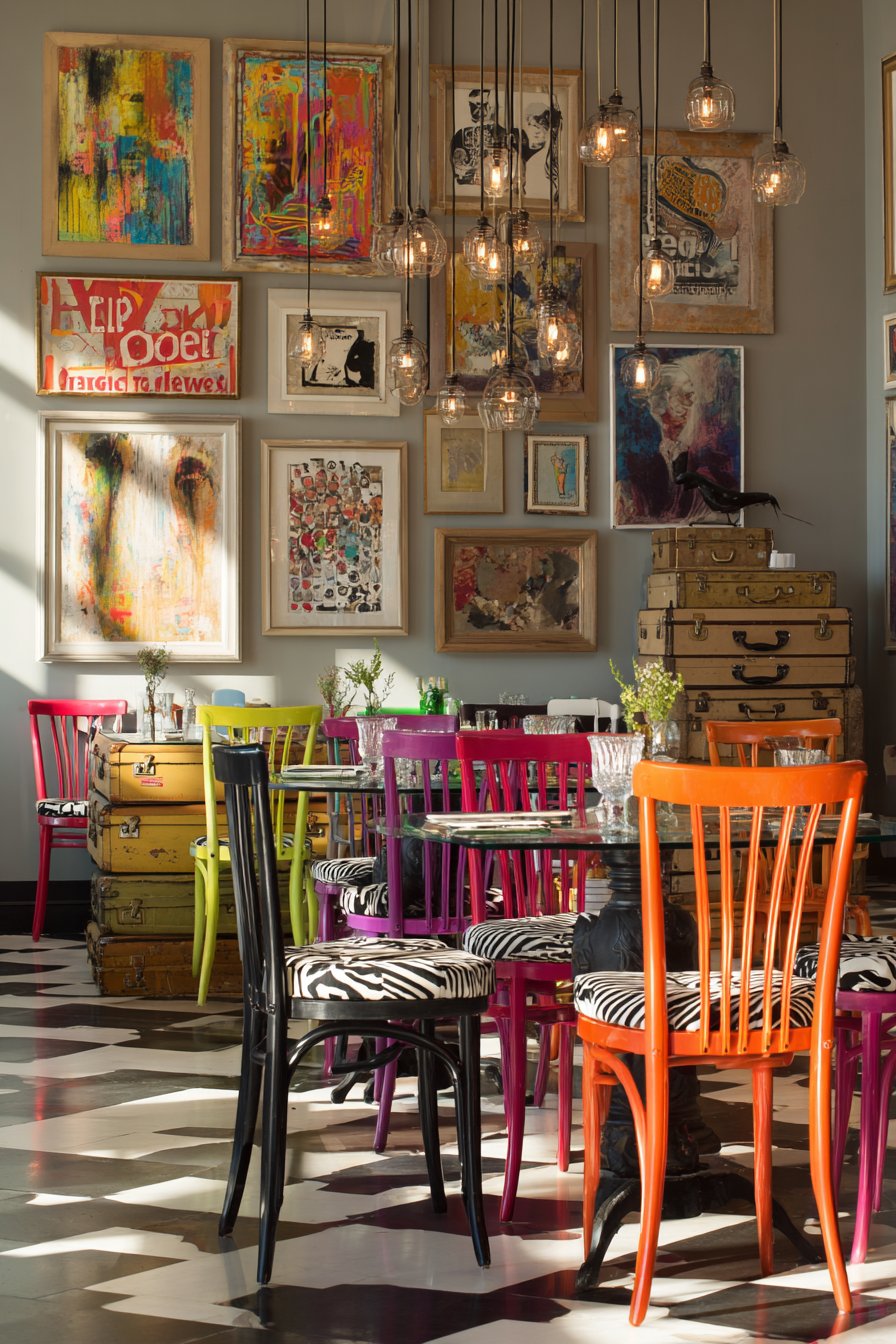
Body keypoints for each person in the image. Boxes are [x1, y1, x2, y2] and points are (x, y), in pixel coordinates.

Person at [614, 351, 741, 526]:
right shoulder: (646, 468)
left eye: (691, 394)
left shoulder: (711, 468)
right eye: (685, 394)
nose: (690, 403)